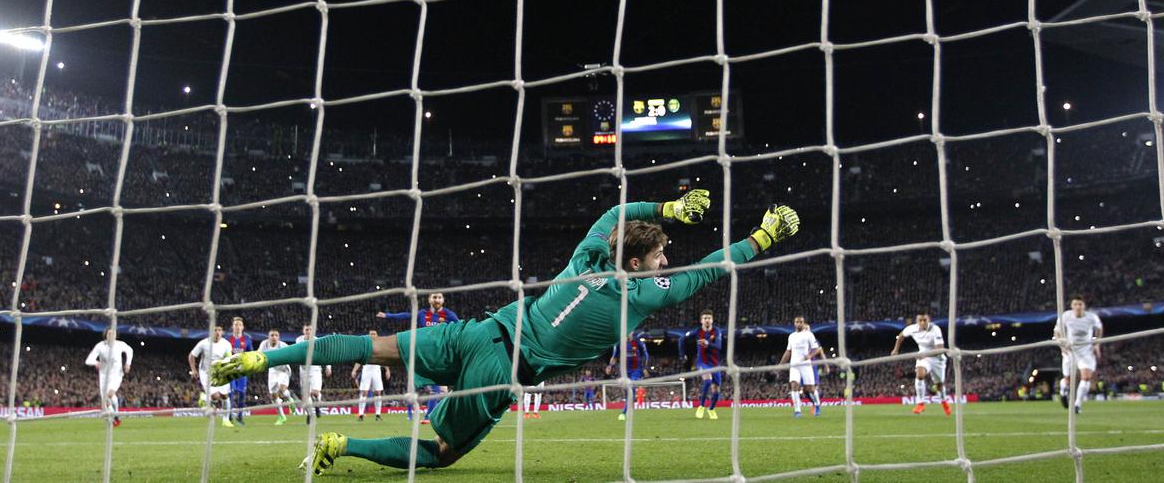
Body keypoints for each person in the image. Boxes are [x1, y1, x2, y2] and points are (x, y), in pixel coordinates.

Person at [212, 190, 799, 474]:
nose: (667, 260)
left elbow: (619, 214)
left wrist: (669, 209)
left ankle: (264, 360)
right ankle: (343, 445)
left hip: (474, 332)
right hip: (500, 372)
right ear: (645, 264)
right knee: (439, 454)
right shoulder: (645, 293)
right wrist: (765, 236)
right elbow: (712, 267)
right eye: (663, 253)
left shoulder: (586, 255)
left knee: (371, 347)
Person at [377, 292, 459, 421]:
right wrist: (387, 315)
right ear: (429, 299)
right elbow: (405, 316)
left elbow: (460, 329)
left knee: (438, 389)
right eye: (434, 297)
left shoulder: (449, 315)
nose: (437, 299)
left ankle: (431, 415)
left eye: (439, 297)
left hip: (439, 356)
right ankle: (416, 415)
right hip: (422, 354)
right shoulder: (422, 314)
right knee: (417, 389)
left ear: (443, 300)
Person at [891, 311, 951, 416]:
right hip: (923, 357)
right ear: (916, 321)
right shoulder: (912, 329)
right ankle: (920, 403)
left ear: (929, 320)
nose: (922, 322)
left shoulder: (935, 329)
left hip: (938, 359)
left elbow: (939, 350)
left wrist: (926, 355)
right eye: (920, 320)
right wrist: (895, 350)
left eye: (925, 320)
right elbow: (901, 336)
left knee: (939, 385)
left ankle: (944, 401)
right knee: (919, 375)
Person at [1054, 295, 1103, 415]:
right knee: (1068, 380)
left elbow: (1099, 329)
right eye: (1075, 304)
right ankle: (1063, 392)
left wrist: (1096, 343)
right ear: (1072, 306)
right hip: (1070, 350)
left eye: (1080, 304)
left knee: (1086, 377)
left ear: (1084, 306)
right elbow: (1057, 331)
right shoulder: (1066, 316)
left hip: (1086, 351)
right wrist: (1061, 346)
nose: (1078, 307)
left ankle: (1077, 404)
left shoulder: (1091, 317)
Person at [84, 327, 133, 427]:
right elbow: (88, 360)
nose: (111, 336)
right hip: (104, 376)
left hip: (116, 374)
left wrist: (128, 363)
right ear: (105, 335)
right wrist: (95, 362)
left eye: (113, 334)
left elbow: (130, 350)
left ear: (116, 335)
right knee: (106, 401)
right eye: (109, 334)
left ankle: (115, 415)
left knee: (110, 394)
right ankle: (116, 416)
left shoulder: (120, 344)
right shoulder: (100, 346)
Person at [680, 309, 723, 419]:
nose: (707, 320)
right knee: (707, 381)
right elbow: (681, 339)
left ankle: (711, 409)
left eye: (709, 318)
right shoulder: (697, 332)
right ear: (701, 320)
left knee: (716, 390)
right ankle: (701, 406)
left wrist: (707, 343)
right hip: (702, 363)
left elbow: (719, 346)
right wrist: (682, 354)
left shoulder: (716, 332)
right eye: (705, 318)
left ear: (712, 320)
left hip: (715, 364)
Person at [189, 325, 234, 427]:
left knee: (224, 396)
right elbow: (192, 356)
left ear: (222, 332)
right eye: (215, 330)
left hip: (221, 371)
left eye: (219, 330)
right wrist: (193, 369)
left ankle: (226, 420)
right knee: (215, 396)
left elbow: (229, 357)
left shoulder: (226, 344)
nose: (217, 332)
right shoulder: (204, 343)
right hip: (206, 373)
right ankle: (205, 398)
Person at [780, 316, 823, 418]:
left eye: (801, 322)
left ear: (803, 323)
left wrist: (810, 356)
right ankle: (797, 411)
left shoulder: (809, 335)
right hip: (794, 365)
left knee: (810, 389)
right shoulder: (791, 336)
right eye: (797, 322)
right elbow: (788, 351)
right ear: (794, 323)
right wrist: (781, 364)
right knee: (794, 385)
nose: (799, 324)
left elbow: (816, 349)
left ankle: (817, 405)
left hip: (806, 365)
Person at [605, 333, 649, 421]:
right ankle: (629, 407)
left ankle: (623, 413)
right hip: (624, 371)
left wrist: (644, 368)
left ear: (632, 332)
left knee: (631, 388)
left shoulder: (637, 342)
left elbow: (646, 355)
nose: (628, 334)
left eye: (630, 332)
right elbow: (614, 357)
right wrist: (610, 366)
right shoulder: (619, 343)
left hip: (636, 370)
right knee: (628, 392)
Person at [296, 324, 333, 422]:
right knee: (306, 396)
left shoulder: (318, 341)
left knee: (315, 393)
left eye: (310, 330)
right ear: (303, 330)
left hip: (315, 370)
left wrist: (328, 367)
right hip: (303, 372)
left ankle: (316, 406)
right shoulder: (298, 340)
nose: (308, 331)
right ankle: (310, 414)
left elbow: (326, 354)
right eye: (306, 329)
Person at [352, 331, 390, 421]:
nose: (372, 335)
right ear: (369, 336)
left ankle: (378, 415)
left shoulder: (380, 346)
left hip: (376, 372)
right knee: (364, 393)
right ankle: (361, 414)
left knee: (378, 393)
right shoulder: (365, 346)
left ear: (377, 336)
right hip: (366, 372)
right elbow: (359, 360)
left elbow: (384, 359)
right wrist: (354, 370)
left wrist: (387, 370)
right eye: (371, 334)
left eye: (374, 334)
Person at [259, 328, 293, 425]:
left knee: (282, 390)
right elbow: (258, 353)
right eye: (272, 335)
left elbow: (291, 353)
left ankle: (290, 400)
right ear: (268, 337)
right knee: (274, 396)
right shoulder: (264, 344)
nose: (274, 337)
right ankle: (282, 417)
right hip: (272, 371)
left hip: (283, 370)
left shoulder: (282, 345)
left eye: (276, 335)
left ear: (279, 337)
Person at [225, 317, 254, 425]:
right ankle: (229, 417)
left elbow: (251, 354)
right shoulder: (227, 339)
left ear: (243, 327)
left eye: (239, 325)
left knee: (242, 393)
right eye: (235, 325)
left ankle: (240, 417)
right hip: (230, 370)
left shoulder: (247, 340)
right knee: (231, 393)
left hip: (242, 371)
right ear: (232, 326)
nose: (237, 327)